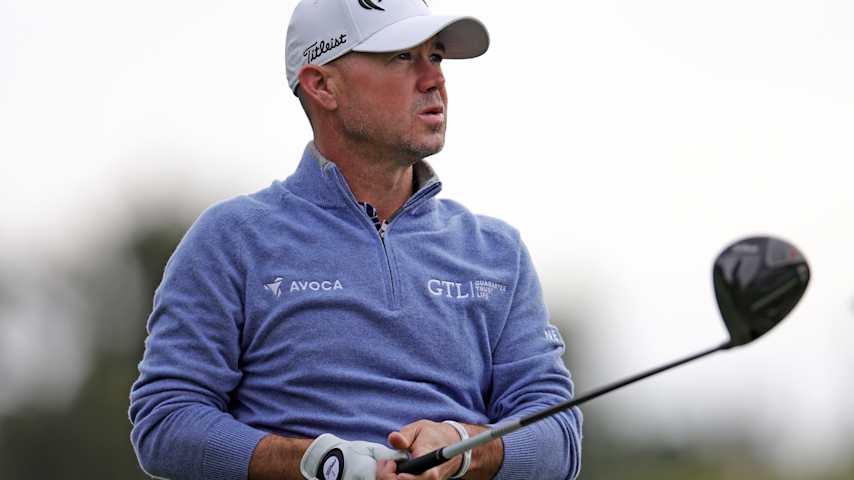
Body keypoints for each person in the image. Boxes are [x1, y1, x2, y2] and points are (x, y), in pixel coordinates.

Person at [129, 1, 583, 479]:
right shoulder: (231, 239)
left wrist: (462, 446)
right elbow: (166, 421)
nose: (434, 80)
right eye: (403, 57)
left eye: (437, 57)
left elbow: (559, 440)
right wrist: (321, 465)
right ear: (322, 84)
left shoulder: (497, 252)